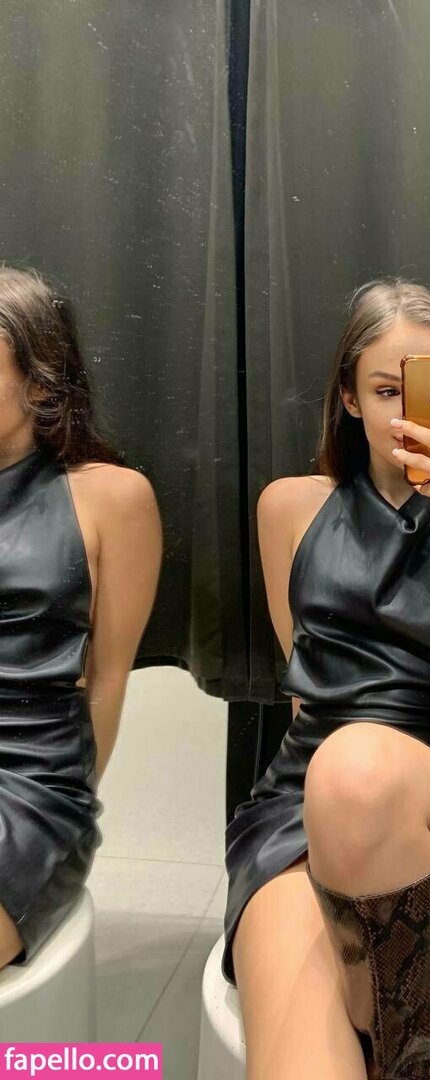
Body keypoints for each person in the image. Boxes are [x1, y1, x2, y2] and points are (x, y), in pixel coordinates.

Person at [223, 277, 430, 1079]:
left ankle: (386, 1010)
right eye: (384, 389)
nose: (408, 412)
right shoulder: (289, 509)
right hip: (296, 815)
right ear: (347, 398)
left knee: (357, 768)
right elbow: (305, 687)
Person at [0, 265, 162, 972]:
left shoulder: (112, 499)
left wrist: (66, 808)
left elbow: (109, 677)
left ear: (40, 385)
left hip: (32, 787)